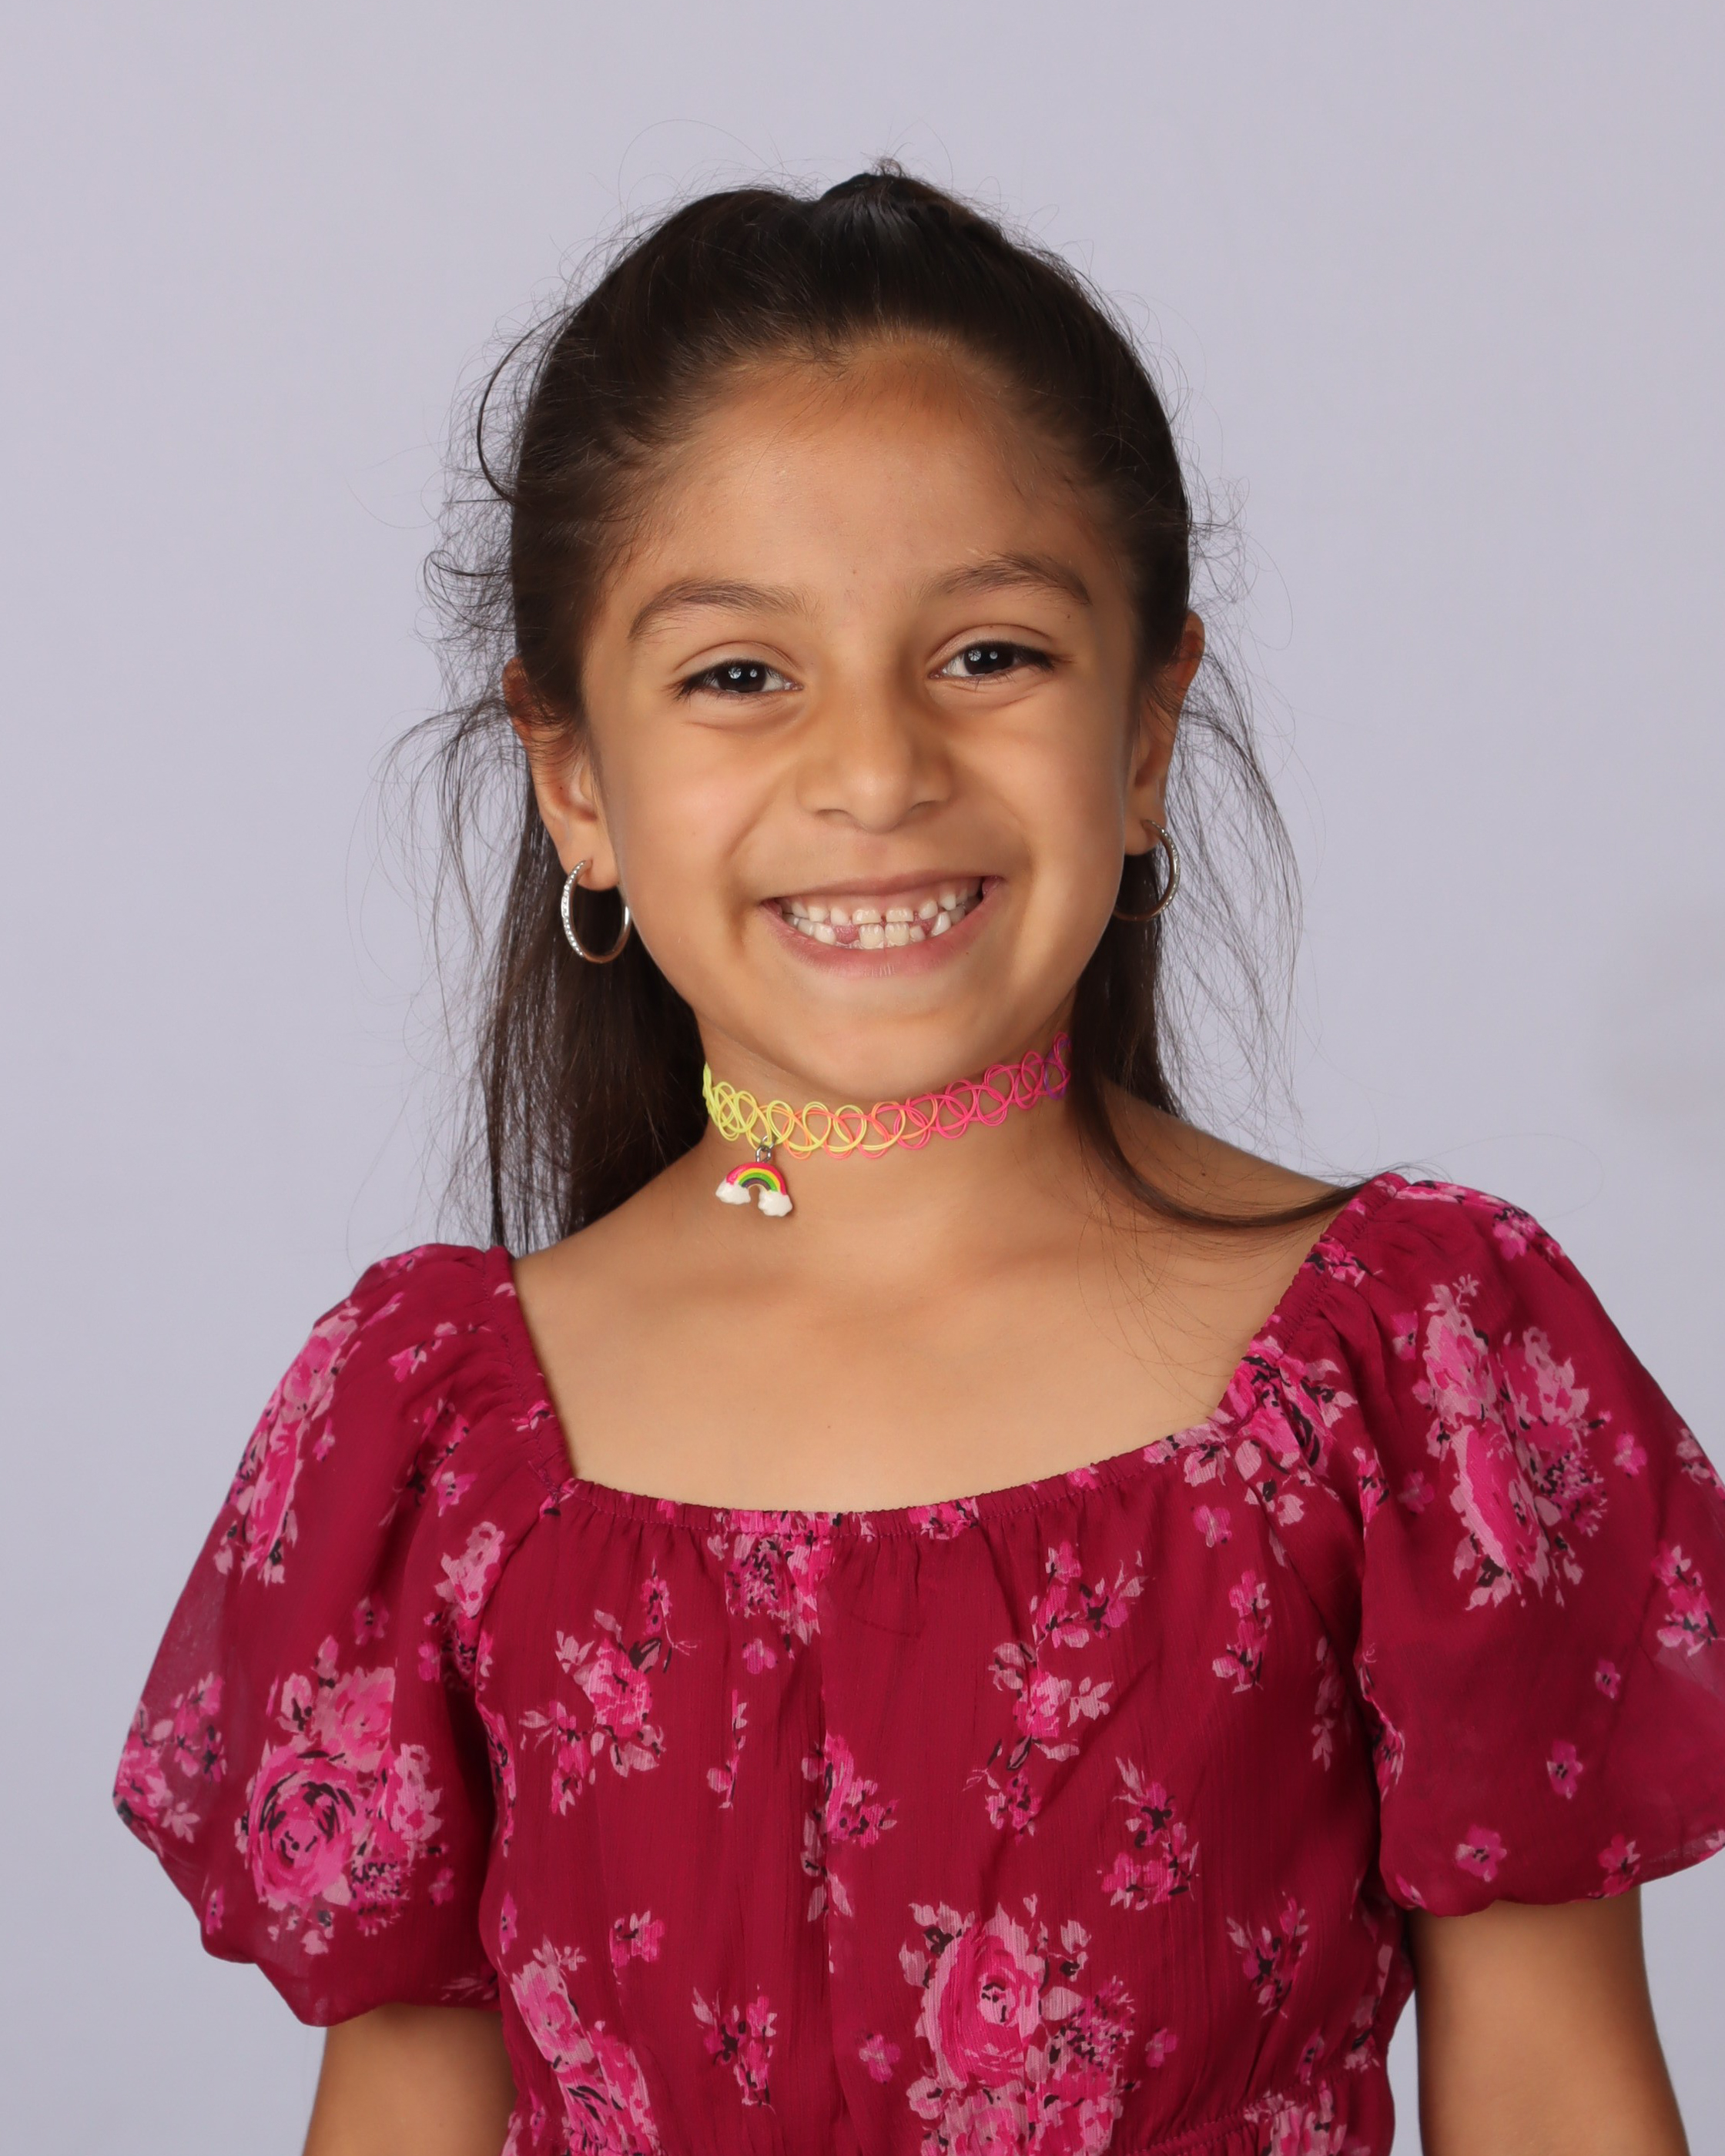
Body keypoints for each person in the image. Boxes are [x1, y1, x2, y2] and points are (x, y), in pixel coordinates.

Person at [115, 171, 1725, 2156]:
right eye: (739, 674)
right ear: (576, 782)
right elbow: (400, 2110)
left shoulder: (1414, 1376)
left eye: (988, 656)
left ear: (1148, 734)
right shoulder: (430, 1443)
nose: (876, 773)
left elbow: (1557, 2097)